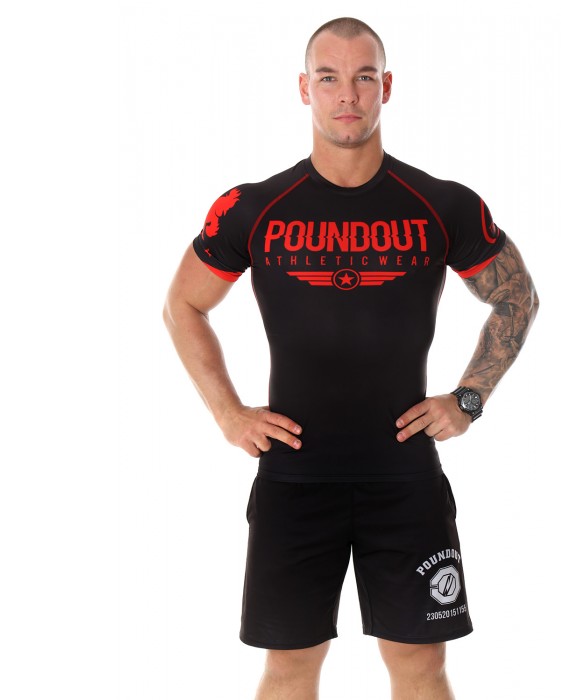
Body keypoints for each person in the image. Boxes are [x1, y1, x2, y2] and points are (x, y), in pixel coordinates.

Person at [163, 16, 539, 700]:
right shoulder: (255, 207)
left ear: (386, 87)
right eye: (330, 78)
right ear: (304, 88)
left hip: (405, 478)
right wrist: (228, 413)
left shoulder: (441, 204)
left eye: (364, 77)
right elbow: (183, 305)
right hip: (293, 479)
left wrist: (468, 399)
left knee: (420, 666)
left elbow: (516, 297)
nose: (348, 95)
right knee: (289, 668)